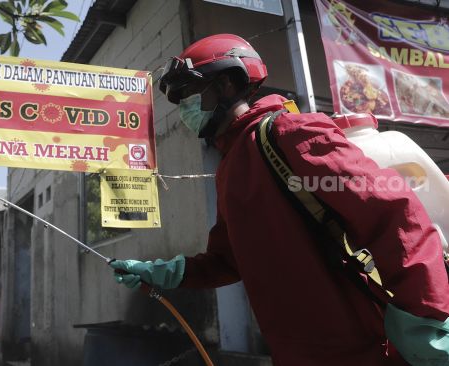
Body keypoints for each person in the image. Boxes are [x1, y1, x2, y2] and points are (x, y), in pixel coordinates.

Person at [111, 34, 449, 366]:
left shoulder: (291, 134)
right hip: (294, 353)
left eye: (190, 92)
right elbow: (229, 258)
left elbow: (395, 216)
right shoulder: (229, 166)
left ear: (228, 83)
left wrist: (425, 315)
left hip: (361, 348)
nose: (185, 105)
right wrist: (168, 272)